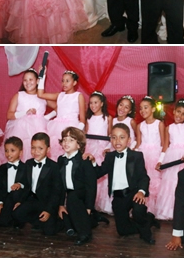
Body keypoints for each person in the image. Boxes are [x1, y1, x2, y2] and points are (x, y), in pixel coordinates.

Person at [86, 123, 156, 245]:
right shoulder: (110, 157)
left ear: (129, 140)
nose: (117, 140)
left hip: (134, 192)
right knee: (123, 231)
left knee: (138, 211)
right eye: (114, 137)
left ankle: (146, 234)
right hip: (119, 196)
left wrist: (141, 192)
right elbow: (98, 173)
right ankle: (149, 219)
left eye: (122, 137)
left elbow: (143, 177)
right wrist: (92, 162)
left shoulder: (137, 156)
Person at [11, 133, 60, 235]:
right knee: (16, 213)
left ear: (48, 149)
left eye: (40, 148)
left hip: (46, 202)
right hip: (32, 199)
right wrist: (20, 201)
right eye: (33, 148)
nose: (36, 152)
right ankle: (37, 221)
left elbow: (56, 192)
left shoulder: (54, 167)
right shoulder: (28, 163)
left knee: (49, 232)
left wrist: (48, 210)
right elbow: (26, 185)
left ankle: (57, 222)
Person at [155, 99, 184, 220]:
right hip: (172, 157)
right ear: (174, 112)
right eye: (178, 112)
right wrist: (160, 160)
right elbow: (165, 146)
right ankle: (168, 211)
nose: (179, 115)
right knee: (171, 183)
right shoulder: (168, 128)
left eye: (183, 114)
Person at [57, 127, 97, 245]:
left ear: (79, 145)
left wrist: (89, 207)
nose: (66, 142)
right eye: (64, 139)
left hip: (80, 195)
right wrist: (60, 204)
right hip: (68, 195)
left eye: (71, 140)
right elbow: (59, 184)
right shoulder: (60, 160)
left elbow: (91, 185)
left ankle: (85, 233)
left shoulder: (84, 160)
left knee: (73, 197)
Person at [36, 68, 86, 159]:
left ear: (74, 83)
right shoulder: (59, 95)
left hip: (72, 127)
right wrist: (42, 76)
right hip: (56, 128)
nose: (64, 83)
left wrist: (76, 134)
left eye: (67, 81)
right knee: (55, 153)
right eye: (63, 81)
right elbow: (40, 94)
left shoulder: (78, 96)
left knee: (69, 154)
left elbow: (82, 118)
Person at [2, 69, 48, 161]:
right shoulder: (19, 95)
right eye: (25, 80)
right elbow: (9, 115)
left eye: (31, 79)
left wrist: (46, 117)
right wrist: (25, 113)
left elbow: (58, 106)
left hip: (38, 130)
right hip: (20, 130)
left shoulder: (42, 97)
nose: (28, 83)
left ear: (37, 81)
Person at [83, 91, 112, 221]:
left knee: (101, 176)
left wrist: (107, 148)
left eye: (96, 102)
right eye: (91, 103)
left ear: (101, 103)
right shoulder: (88, 118)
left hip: (101, 149)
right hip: (90, 148)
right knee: (88, 176)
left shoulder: (108, 118)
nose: (93, 105)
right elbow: (84, 135)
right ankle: (90, 204)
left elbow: (110, 136)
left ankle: (99, 206)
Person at [135, 96, 165, 214]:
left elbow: (163, 143)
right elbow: (138, 143)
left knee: (155, 181)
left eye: (146, 107)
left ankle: (154, 210)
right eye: (141, 108)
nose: (143, 111)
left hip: (155, 155)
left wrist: (161, 159)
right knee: (143, 179)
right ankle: (143, 207)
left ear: (153, 109)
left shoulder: (159, 124)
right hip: (143, 155)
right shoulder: (139, 126)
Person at [0, 136, 27, 228]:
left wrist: (20, 185)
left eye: (12, 150)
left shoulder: (25, 168)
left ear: (20, 152)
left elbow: (28, 185)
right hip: (6, 199)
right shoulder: (2, 168)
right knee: (3, 223)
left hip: (19, 199)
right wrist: (0, 202)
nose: (8, 153)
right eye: (6, 150)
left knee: (17, 222)